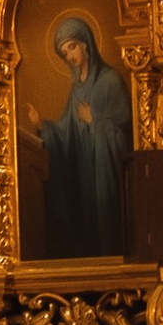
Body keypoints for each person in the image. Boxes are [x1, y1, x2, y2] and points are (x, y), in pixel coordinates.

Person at [32, 15, 133, 257]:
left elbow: (126, 132)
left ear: (85, 43)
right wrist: (42, 126)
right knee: (86, 225)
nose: (70, 57)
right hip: (83, 174)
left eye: (72, 48)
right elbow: (65, 133)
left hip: (105, 173)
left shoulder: (110, 81)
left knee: (106, 223)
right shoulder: (77, 91)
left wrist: (95, 122)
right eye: (65, 53)